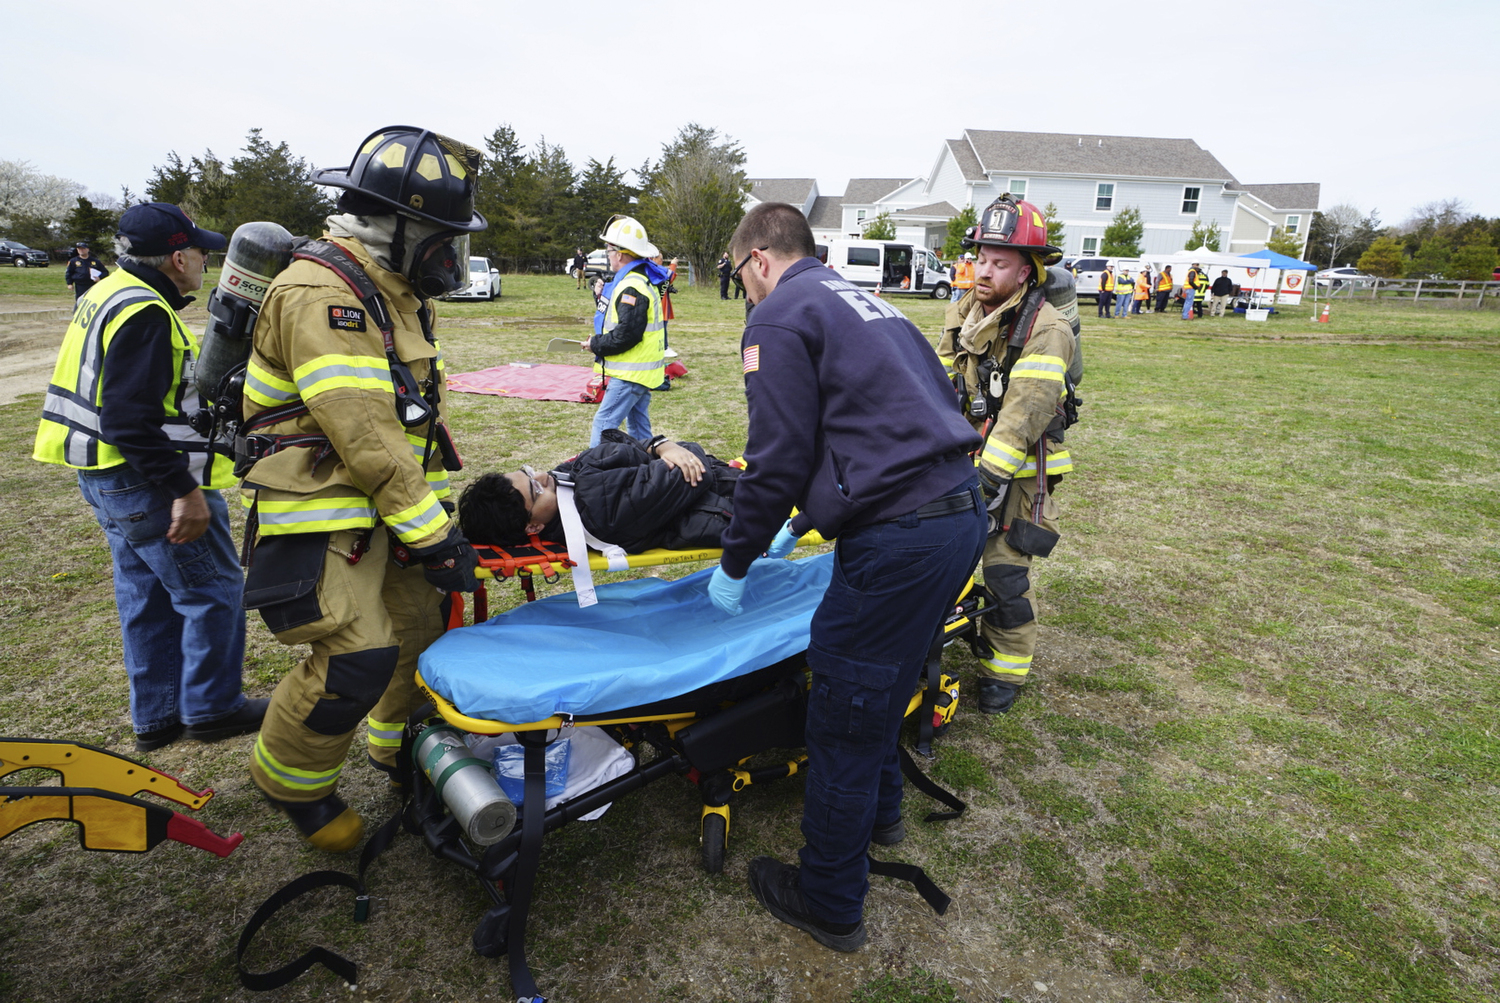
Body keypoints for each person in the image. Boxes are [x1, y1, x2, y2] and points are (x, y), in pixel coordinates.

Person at [707, 202, 985, 953]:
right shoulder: (873, 304)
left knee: (844, 709)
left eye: (740, 279)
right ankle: (884, 814)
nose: (746, 296)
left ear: (758, 258)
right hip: (959, 514)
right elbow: (894, 419)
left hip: (903, 536)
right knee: (891, 682)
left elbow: (775, 455)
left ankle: (829, 896)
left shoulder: (777, 317)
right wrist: (807, 522)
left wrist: (736, 561)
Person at [238, 126, 486, 852]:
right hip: (320, 504)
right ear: (398, 223)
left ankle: (395, 746)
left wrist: (427, 526)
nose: (450, 254)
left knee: (420, 628)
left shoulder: (397, 290)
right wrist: (435, 536)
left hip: (385, 505)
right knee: (358, 653)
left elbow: (409, 422)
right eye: (441, 237)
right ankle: (291, 780)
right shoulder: (323, 293)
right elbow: (366, 433)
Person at [33, 202, 264, 753]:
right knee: (213, 588)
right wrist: (184, 491)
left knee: (145, 594)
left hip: (103, 477)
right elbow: (129, 419)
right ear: (178, 257)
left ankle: (158, 716)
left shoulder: (107, 291)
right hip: (145, 481)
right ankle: (213, 707)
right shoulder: (146, 313)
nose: (206, 263)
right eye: (203, 253)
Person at [935, 195, 1076, 717]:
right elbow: (939, 380)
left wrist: (986, 481)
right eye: (981, 258)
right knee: (945, 556)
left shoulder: (1047, 330)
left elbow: (1023, 417)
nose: (985, 271)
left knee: (1004, 571)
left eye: (999, 262)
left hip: (1018, 474)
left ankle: (1005, 672)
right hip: (964, 455)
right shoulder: (964, 311)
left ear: (1026, 271)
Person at [458, 431, 739, 553]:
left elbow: (626, 443)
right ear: (533, 526)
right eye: (535, 487)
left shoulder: (565, 491)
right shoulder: (601, 509)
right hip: (738, 494)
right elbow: (695, 468)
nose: (542, 476)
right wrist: (667, 446)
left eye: (529, 472)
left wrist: (661, 445)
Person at [583, 215, 668, 447]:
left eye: (608, 249)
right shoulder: (636, 281)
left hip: (630, 374)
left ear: (619, 254)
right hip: (639, 373)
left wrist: (596, 344)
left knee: (604, 425)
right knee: (639, 427)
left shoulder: (631, 286)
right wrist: (600, 297)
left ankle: (591, 471)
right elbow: (620, 320)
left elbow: (627, 334)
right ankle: (649, 469)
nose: (607, 255)